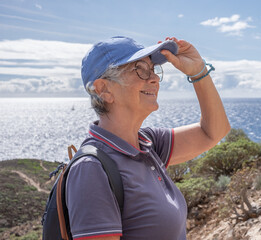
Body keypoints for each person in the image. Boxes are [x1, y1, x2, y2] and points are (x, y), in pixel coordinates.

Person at [66, 36, 231, 240]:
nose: (153, 78)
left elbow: (213, 132)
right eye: (140, 69)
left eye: (153, 69)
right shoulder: (92, 169)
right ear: (104, 90)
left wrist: (199, 72)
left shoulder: (149, 144)